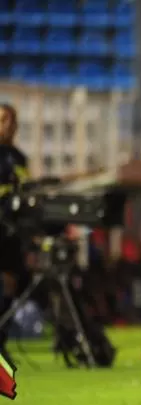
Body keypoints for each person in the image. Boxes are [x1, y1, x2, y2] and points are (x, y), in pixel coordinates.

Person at [0, 103, 29, 361]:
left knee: (11, 284)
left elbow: (26, 190)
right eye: (2, 120)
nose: (7, 126)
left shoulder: (19, 158)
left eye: (10, 120)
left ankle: (2, 342)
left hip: (10, 231)